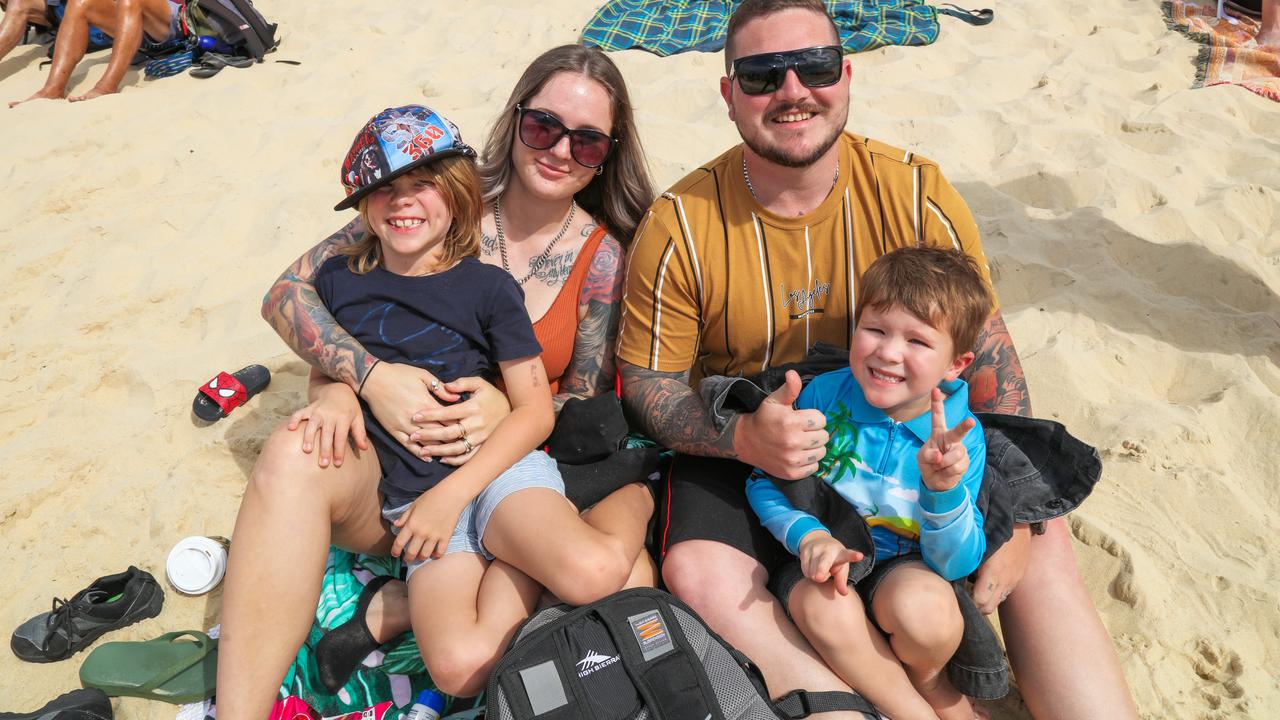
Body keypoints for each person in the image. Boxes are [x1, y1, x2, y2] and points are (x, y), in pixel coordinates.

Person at [616, 1, 1139, 718]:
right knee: (699, 570)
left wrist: (1016, 520)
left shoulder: (915, 192)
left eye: (816, 66)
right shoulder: (680, 224)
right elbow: (649, 382)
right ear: (729, 93)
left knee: (1039, 548)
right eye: (762, 75)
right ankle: (853, 700)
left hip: (903, 421)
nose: (793, 90)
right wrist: (742, 437)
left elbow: (986, 357)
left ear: (848, 74)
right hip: (752, 434)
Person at [219, 45, 657, 716]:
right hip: (395, 478)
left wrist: (500, 407)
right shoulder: (435, 196)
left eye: (588, 141)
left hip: (505, 472)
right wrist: (356, 379)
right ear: (515, 120)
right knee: (293, 449)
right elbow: (295, 295)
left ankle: (399, 605)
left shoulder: (601, 259)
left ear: (608, 153)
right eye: (543, 125)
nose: (561, 149)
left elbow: (583, 397)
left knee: (593, 572)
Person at [747, 247, 992, 720]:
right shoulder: (821, 396)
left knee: (929, 614)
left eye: (917, 342)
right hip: (824, 555)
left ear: (955, 364)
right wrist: (809, 535)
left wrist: (943, 491)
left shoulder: (961, 438)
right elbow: (766, 481)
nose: (888, 351)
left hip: (903, 565)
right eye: (875, 329)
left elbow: (957, 563)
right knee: (823, 607)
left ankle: (928, 681)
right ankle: (900, 705)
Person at [9, 0, 180, 106]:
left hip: (180, 19)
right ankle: (52, 89)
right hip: (135, 21)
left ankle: (106, 86)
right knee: (81, 2)